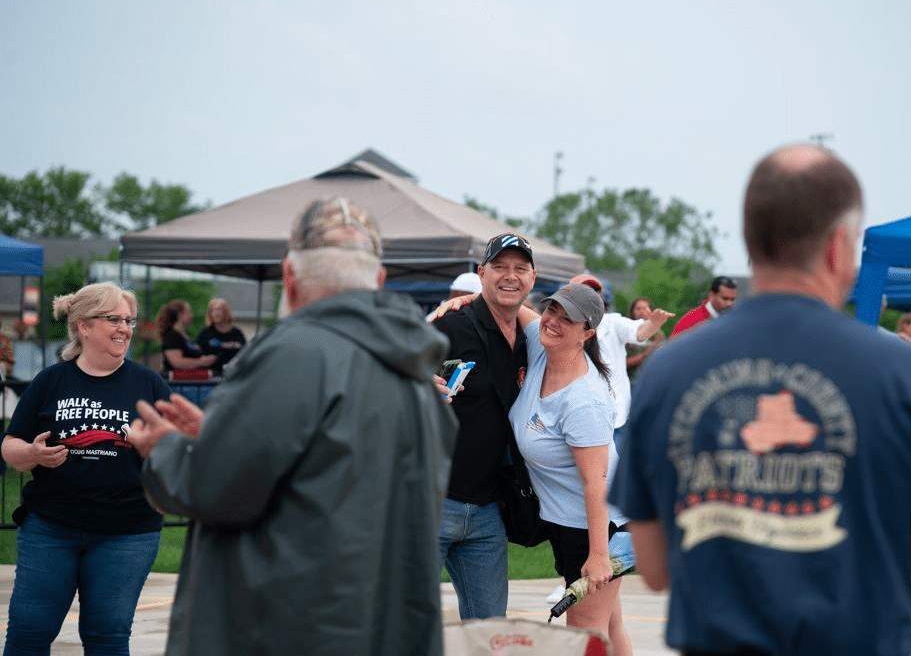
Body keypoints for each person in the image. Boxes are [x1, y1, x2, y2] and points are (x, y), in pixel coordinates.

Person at [610, 143, 911, 656]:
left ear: (750, 241)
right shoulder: (905, 372)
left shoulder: (668, 370)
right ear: (837, 246)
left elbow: (653, 569)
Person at [126, 196, 458, 656]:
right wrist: (221, 436)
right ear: (378, 281)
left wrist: (164, 449)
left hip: (286, 627)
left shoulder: (293, 353)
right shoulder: (418, 378)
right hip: (378, 627)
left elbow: (216, 488)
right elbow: (327, 470)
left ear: (289, 275)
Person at [1, 282, 171, 656]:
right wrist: (33, 453)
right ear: (83, 326)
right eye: (113, 319)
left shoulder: (149, 384)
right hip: (51, 527)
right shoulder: (51, 381)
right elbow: (10, 448)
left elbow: (176, 450)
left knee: (107, 637)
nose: (124, 328)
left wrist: (162, 467)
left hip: (127, 532)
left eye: (128, 320)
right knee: (27, 635)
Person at [509, 283, 631, 655]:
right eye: (553, 312)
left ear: (588, 333)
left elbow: (596, 483)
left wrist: (597, 556)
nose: (554, 322)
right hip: (569, 522)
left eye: (569, 320)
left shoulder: (584, 400)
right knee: (608, 622)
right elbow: (518, 309)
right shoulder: (543, 343)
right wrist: (467, 298)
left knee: (584, 632)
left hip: (599, 528)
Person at [433, 233, 536, 619]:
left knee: (490, 633)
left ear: (532, 277)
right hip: (432, 501)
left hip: (489, 512)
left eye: (519, 268)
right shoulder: (449, 326)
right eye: (500, 267)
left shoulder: (533, 339)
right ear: (481, 274)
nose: (510, 276)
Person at [569, 275, 672, 448]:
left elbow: (639, 331)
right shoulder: (561, 326)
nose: (589, 296)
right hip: (577, 418)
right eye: (582, 291)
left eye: (594, 292)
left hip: (614, 421)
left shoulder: (612, 322)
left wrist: (653, 325)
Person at [156, 300, 216, 375]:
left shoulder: (185, 337)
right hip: (178, 383)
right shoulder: (172, 337)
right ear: (180, 315)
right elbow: (176, 362)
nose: (191, 315)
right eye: (189, 312)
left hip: (192, 381)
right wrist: (201, 362)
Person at [669, 275, 737, 339]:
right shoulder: (691, 320)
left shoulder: (733, 321)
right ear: (711, 295)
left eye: (732, 299)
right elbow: (671, 348)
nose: (729, 303)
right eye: (725, 298)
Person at [195, 297, 246, 376]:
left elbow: (245, 353)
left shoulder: (237, 333)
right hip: (210, 379)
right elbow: (196, 354)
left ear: (226, 312)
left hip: (233, 377)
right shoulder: (205, 333)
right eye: (212, 311)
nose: (215, 313)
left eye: (219, 310)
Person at [625, 297, 666, 374]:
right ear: (632, 312)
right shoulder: (625, 333)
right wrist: (645, 354)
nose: (641, 312)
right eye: (638, 309)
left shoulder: (658, 334)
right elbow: (620, 364)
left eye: (645, 308)